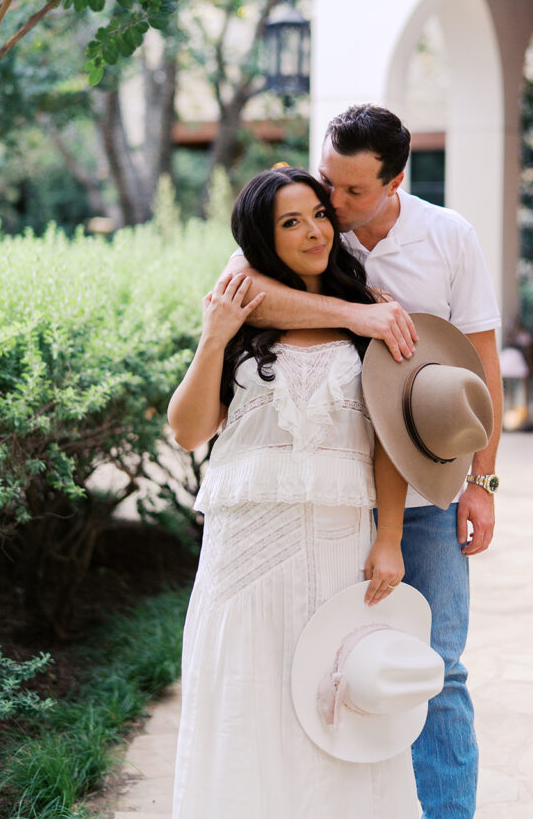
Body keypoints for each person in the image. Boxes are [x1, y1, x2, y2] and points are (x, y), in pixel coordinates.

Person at [228, 106, 503, 819]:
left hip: (426, 489)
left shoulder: (448, 238)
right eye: (328, 183)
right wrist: (360, 315)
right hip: (331, 494)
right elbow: (240, 295)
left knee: (434, 668)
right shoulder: (301, 227)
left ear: (396, 182)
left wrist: (483, 481)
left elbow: (482, 369)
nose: (334, 207)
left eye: (353, 193)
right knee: (326, 667)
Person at [167, 166, 419, 819]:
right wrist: (214, 337)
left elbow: (392, 441)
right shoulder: (240, 307)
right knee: (244, 695)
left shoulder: (373, 315)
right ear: (262, 237)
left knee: (330, 699)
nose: (313, 231)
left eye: (318, 215)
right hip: (243, 548)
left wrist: (388, 537)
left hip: (338, 544)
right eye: (289, 222)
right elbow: (188, 430)